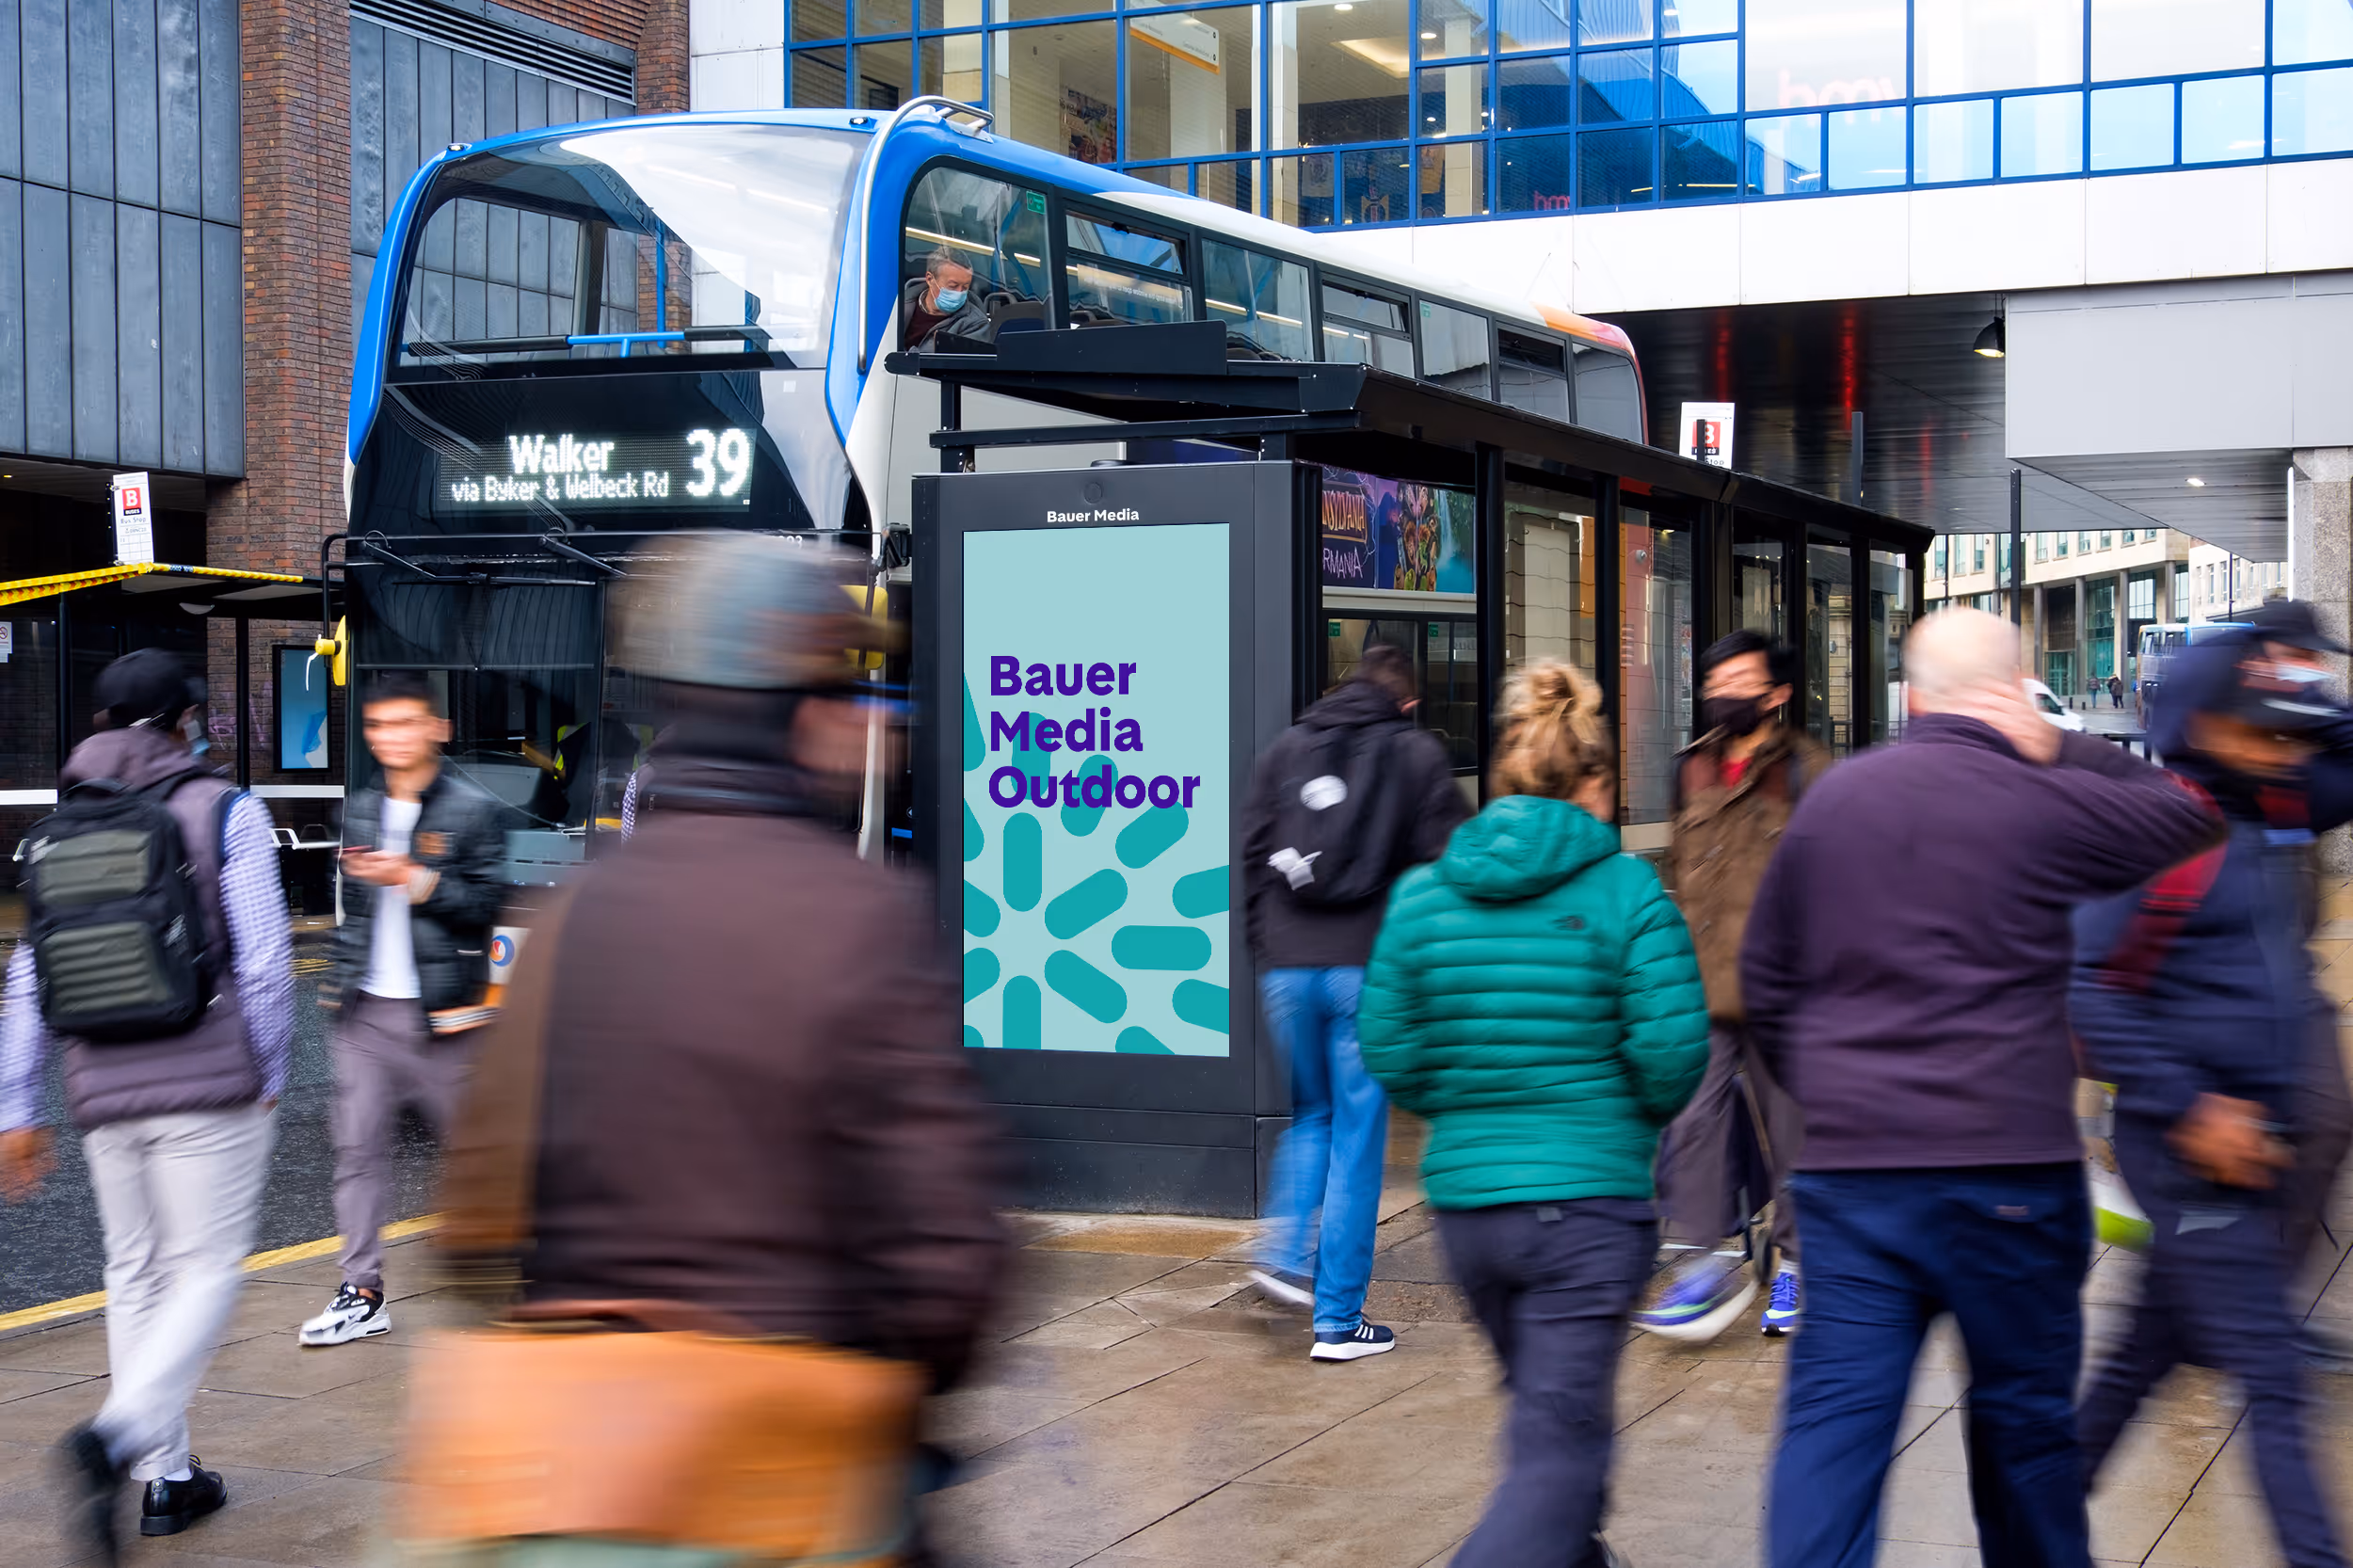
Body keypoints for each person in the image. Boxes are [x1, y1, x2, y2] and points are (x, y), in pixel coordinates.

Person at [412, 535, 1006, 1563]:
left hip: (571, 1477)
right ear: (805, 717)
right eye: (854, 694)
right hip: (792, 1477)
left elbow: (473, 1224)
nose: (877, 724)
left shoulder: (569, 918)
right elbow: (950, 1262)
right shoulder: (861, 916)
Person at [1742, 607, 2219, 1568]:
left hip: (1855, 1177)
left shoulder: (1834, 801)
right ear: (2014, 692)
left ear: (1912, 697)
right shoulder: (2039, 798)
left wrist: (1832, 1096)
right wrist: (2059, 745)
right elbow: (2187, 812)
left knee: (1832, 1430)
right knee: (2024, 1440)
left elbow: (1766, 981)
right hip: (2010, 1176)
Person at [1358, 660, 1708, 1568]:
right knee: (1558, 1455)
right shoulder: (1629, 893)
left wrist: (1468, 1107)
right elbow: (1673, 1058)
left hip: (1470, 1215)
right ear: (1598, 783)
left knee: (1551, 1422)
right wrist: (1618, 1119)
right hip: (1588, 1213)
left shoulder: (1423, 896)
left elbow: (1391, 1049)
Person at [0, 648, 294, 1560]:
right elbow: (267, 965)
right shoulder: (227, 809)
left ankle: (166, 1477)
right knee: (205, 1270)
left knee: (133, 1272)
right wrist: (269, 1074)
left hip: (101, 1085)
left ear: (100, 725)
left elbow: (28, 974)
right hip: (209, 1082)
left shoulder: (58, 826)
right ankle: (117, 1437)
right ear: (184, 720)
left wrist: (17, 1105)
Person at [2073, 632, 2352, 1568]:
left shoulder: (2263, 819)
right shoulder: (2162, 834)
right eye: (2261, 731)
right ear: (2202, 728)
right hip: (2188, 1157)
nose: (2284, 751)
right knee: (2275, 1382)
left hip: (2254, 1146)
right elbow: (2088, 988)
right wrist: (2194, 1108)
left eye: (2288, 735)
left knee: (2138, 1358)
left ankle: (2028, 1522)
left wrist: (2298, 680)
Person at [1241, 643, 1470, 1360]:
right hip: (1364, 969)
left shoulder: (1287, 747)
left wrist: (1266, 946)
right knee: (1358, 1138)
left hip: (1287, 967)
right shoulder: (1416, 754)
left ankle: (1285, 1254)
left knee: (1311, 1115)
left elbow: (1250, 852)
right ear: (1409, 702)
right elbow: (1452, 866)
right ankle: (1338, 1321)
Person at [300, 671, 507, 1346]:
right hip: (364, 1012)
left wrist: (413, 878)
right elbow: (356, 916)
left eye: (405, 722)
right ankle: (361, 1292)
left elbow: (485, 906)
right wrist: (338, 979)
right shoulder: (360, 808)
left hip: (442, 1017)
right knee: (357, 1152)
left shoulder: (472, 811)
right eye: (379, 725)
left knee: (475, 1152)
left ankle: (514, 1276)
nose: (391, 737)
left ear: (437, 728)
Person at [1638, 630, 1825, 1342]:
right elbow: (1679, 867)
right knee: (1689, 1124)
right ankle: (1702, 1262)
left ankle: (1796, 1264)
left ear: (1778, 694)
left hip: (1785, 995)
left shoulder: (1809, 772)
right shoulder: (1690, 767)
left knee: (1795, 1137)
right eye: (1717, 682)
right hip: (1704, 988)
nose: (1725, 694)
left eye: (1743, 682)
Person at [901, 248, 992, 350]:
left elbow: (940, 360)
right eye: (953, 286)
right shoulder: (899, 306)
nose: (959, 292)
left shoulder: (975, 325)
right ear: (930, 279)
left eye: (965, 287)